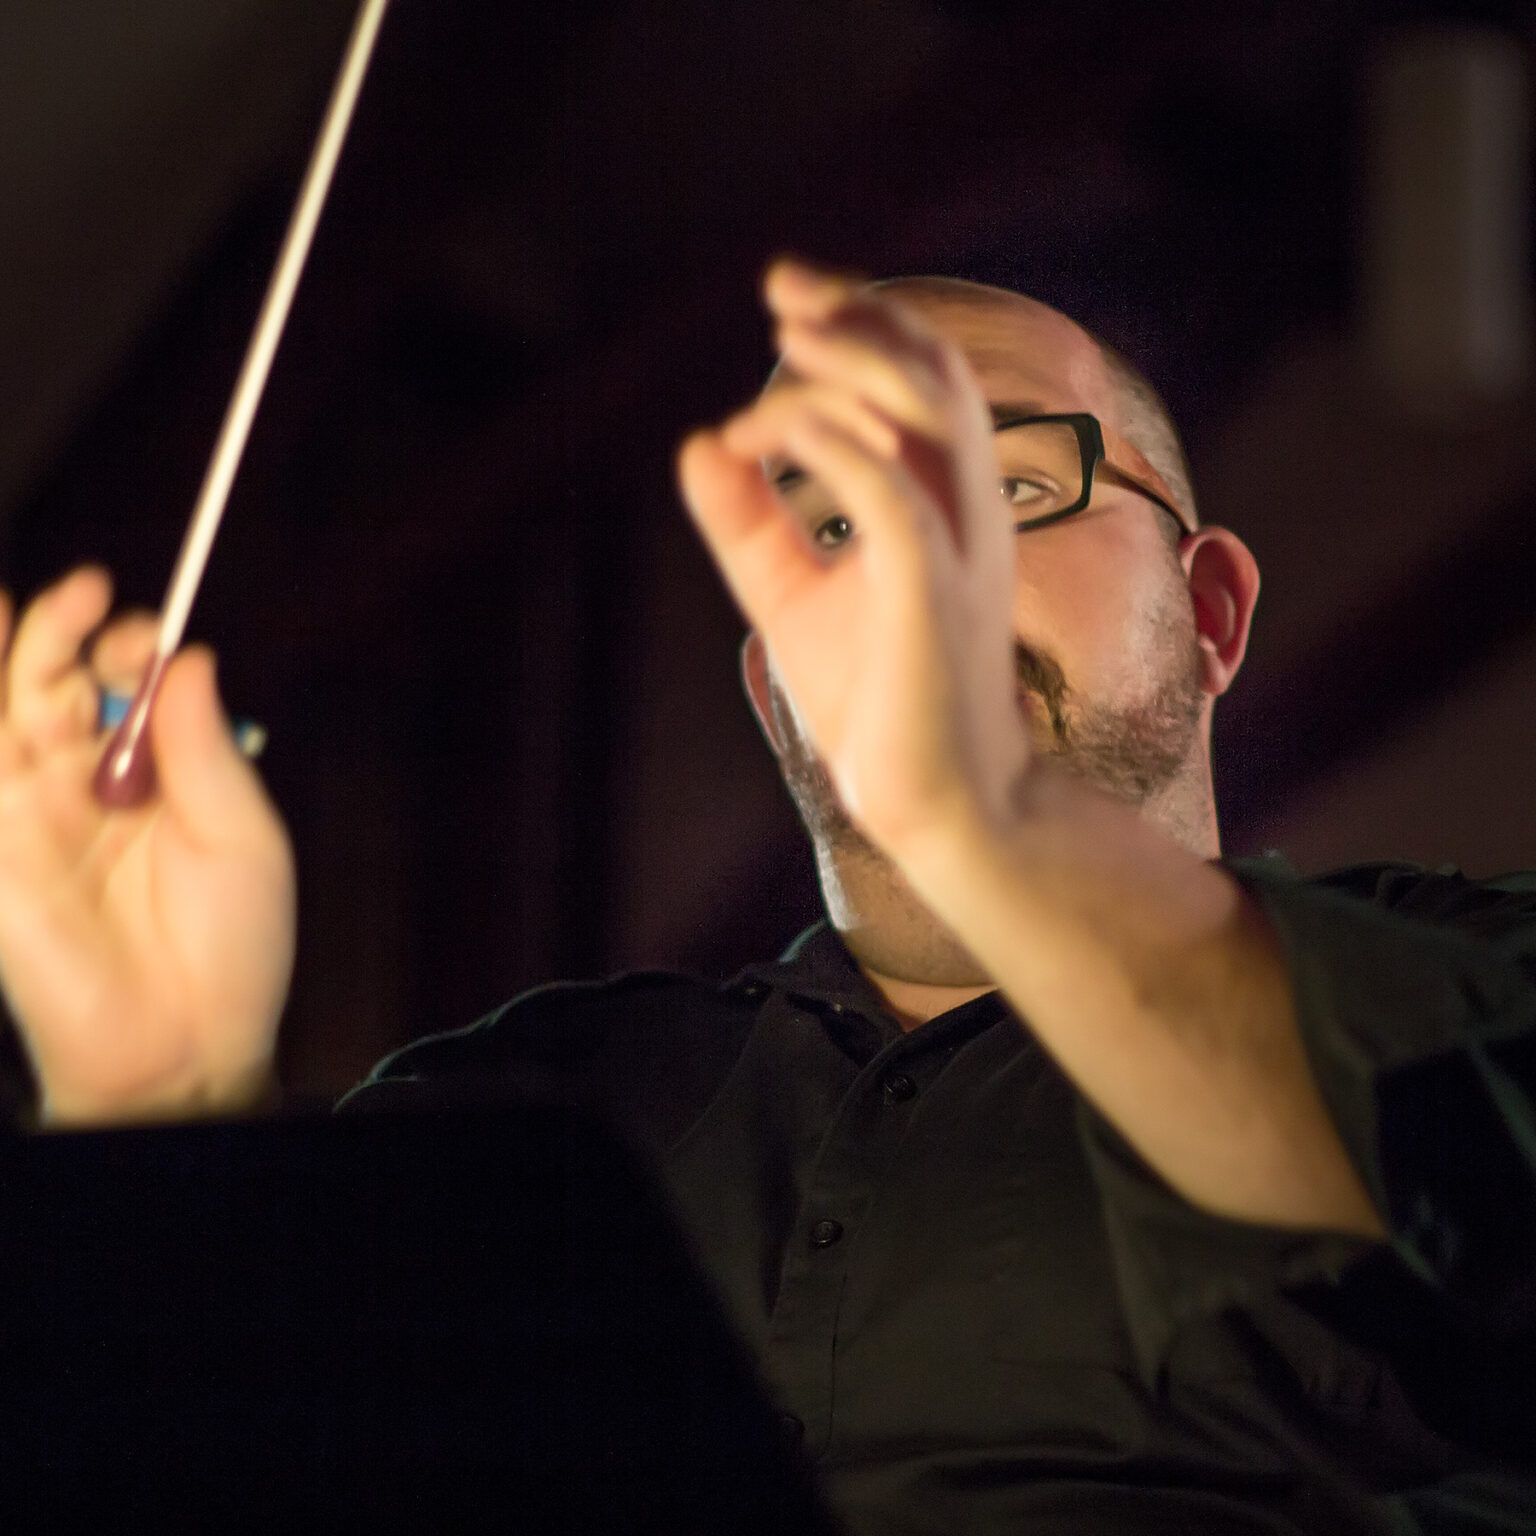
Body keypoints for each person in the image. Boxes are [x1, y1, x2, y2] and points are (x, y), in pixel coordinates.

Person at [0, 260, 1532, 1531]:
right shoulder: (520, 1107)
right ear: (771, 692)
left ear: (1208, 612)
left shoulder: (1477, 978)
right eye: (841, 529)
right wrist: (156, 1111)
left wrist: (987, 810)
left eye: (1011, 486)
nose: (928, 579)